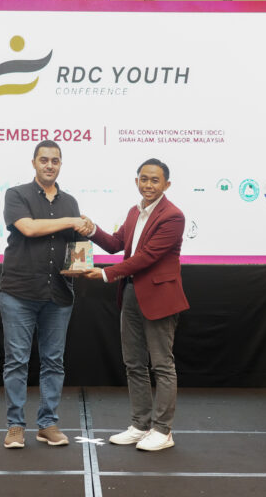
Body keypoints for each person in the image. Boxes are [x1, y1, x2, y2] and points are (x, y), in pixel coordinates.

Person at [83, 158, 189, 451]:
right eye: (144, 179)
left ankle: (163, 430)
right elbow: (116, 244)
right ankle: (140, 425)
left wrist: (106, 273)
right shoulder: (134, 212)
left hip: (160, 297)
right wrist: (92, 230)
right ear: (136, 181)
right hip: (131, 293)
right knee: (133, 363)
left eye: (155, 180)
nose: (148, 184)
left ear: (166, 184)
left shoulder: (173, 216)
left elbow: (147, 257)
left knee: (162, 365)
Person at [0, 139, 91, 449]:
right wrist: (73, 221)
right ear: (34, 163)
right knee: (17, 362)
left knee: (54, 362)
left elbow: (77, 247)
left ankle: (47, 424)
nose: (49, 165)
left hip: (59, 295)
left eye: (55, 160)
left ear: (60, 164)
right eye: (44, 160)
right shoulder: (16, 194)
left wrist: (82, 259)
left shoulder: (71, 202)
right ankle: (15, 426)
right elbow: (28, 228)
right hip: (19, 293)